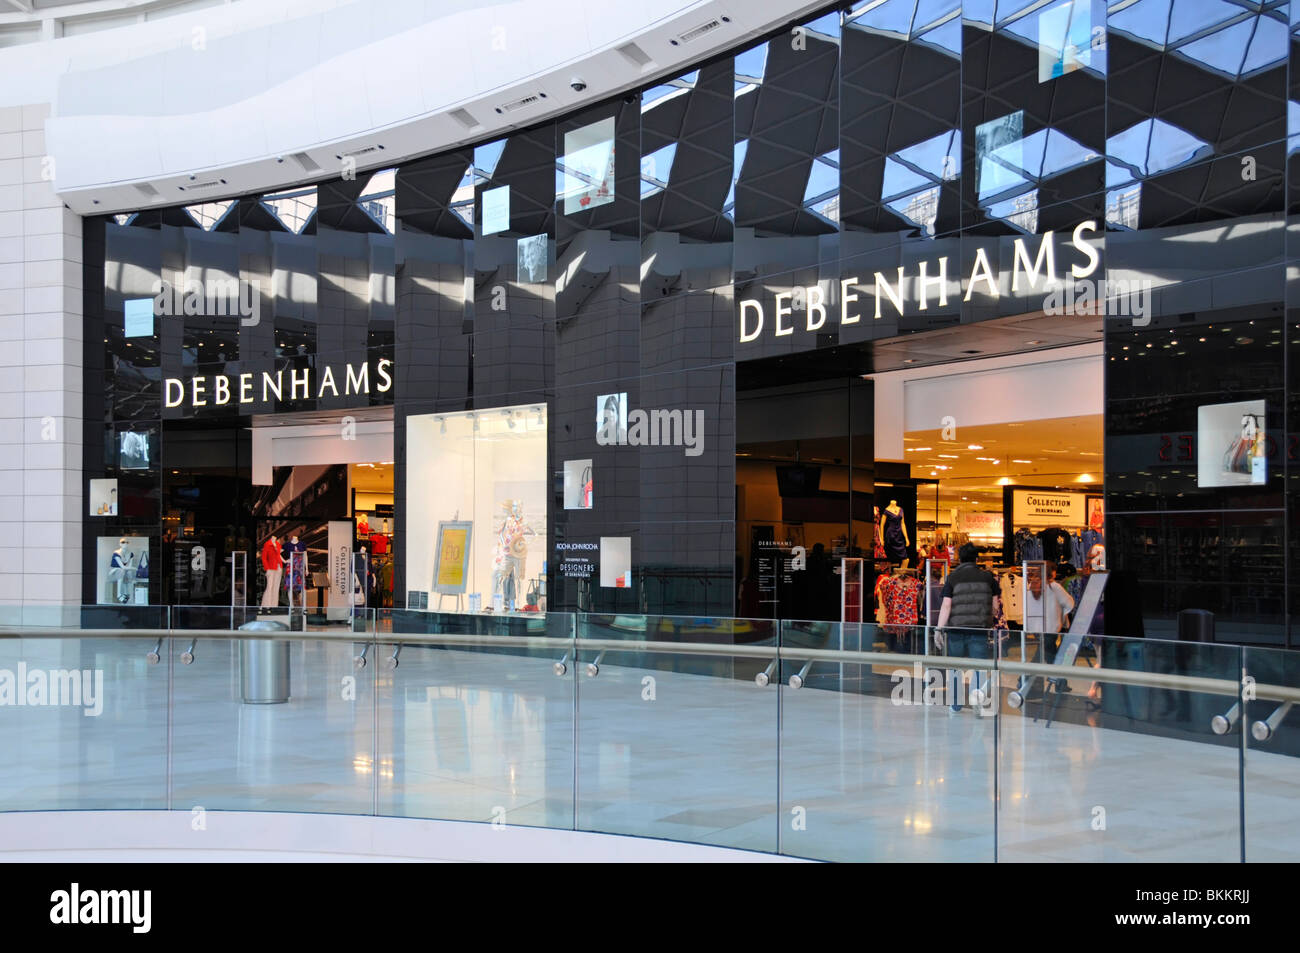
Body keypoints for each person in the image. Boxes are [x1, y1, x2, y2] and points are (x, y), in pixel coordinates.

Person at [935, 543, 1001, 712]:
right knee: (979, 668)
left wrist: (938, 629)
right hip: (979, 629)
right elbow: (995, 607)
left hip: (956, 630)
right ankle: (976, 701)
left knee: (955, 667)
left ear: (960, 559)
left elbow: (946, 605)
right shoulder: (988, 578)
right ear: (976, 559)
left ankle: (955, 704)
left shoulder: (952, 577)